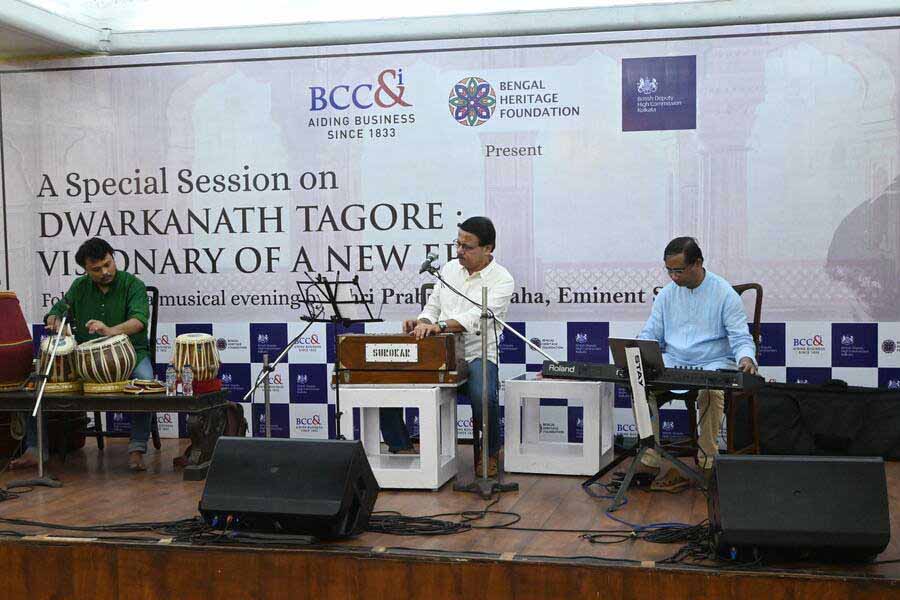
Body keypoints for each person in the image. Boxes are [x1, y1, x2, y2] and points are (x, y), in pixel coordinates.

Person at [382, 216, 514, 477]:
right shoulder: (449, 269)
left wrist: (439, 326)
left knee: (484, 396)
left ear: (488, 249)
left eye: (468, 247)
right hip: (438, 352)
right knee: (387, 379)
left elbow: (477, 317)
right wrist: (421, 322)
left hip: (478, 353)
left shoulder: (502, 279)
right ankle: (401, 447)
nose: (459, 252)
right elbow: (432, 307)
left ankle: (488, 455)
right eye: (458, 244)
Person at [11, 237, 154, 472]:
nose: (105, 272)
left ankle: (137, 448)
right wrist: (55, 321)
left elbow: (138, 322)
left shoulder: (133, 285)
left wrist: (110, 331)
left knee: (146, 384)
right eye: (96, 269)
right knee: (37, 386)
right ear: (86, 270)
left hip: (131, 354)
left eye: (108, 264)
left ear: (112, 257)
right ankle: (34, 450)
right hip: (84, 360)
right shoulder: (80, 286)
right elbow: (55, 313)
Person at [636, 236, 757, 491]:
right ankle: (650, 457)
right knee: (639, 383)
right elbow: (651, 333)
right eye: (669, 270)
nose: (673, 277)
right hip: (674, 361)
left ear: (698, 263)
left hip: (712, 363)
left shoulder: (724, 293)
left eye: (678, 270)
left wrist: (746, 357)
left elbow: (740, 337)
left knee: (711, 390)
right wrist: (639, 346)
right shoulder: (667, 295)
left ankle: (707, 463)